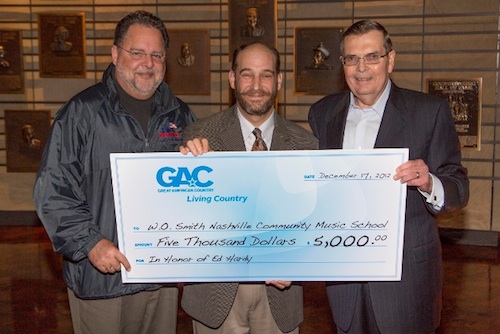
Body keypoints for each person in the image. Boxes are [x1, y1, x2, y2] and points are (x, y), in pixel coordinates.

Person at [33, 10, 197, 334]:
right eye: (137, 53)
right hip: (102, 277)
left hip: (160, 277)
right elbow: (52, 191)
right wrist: (92, 243)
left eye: (156, 55)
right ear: (115, 53)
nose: (147, 63)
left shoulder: (181, 114)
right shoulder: (81, 113)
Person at [308, 19, 469, 334]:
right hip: (344, 276)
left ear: (390, 60)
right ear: (342, 64)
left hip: (406, 278)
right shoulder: (323, 113)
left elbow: (458, 187)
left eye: (372, 57)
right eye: (352, 58)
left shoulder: (428, 111)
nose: (361, 68)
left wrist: (428, 181)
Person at [180, 41, 318, 334]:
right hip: (215, 292)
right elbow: (183, 217)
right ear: (232, 78)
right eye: (247, 74)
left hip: (281, 293)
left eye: (266, 75)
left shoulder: (306, 145)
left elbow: (314, 224)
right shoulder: (198, 138)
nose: (256, 85)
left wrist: (297, 262)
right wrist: (189, 168)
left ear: (279, 80)